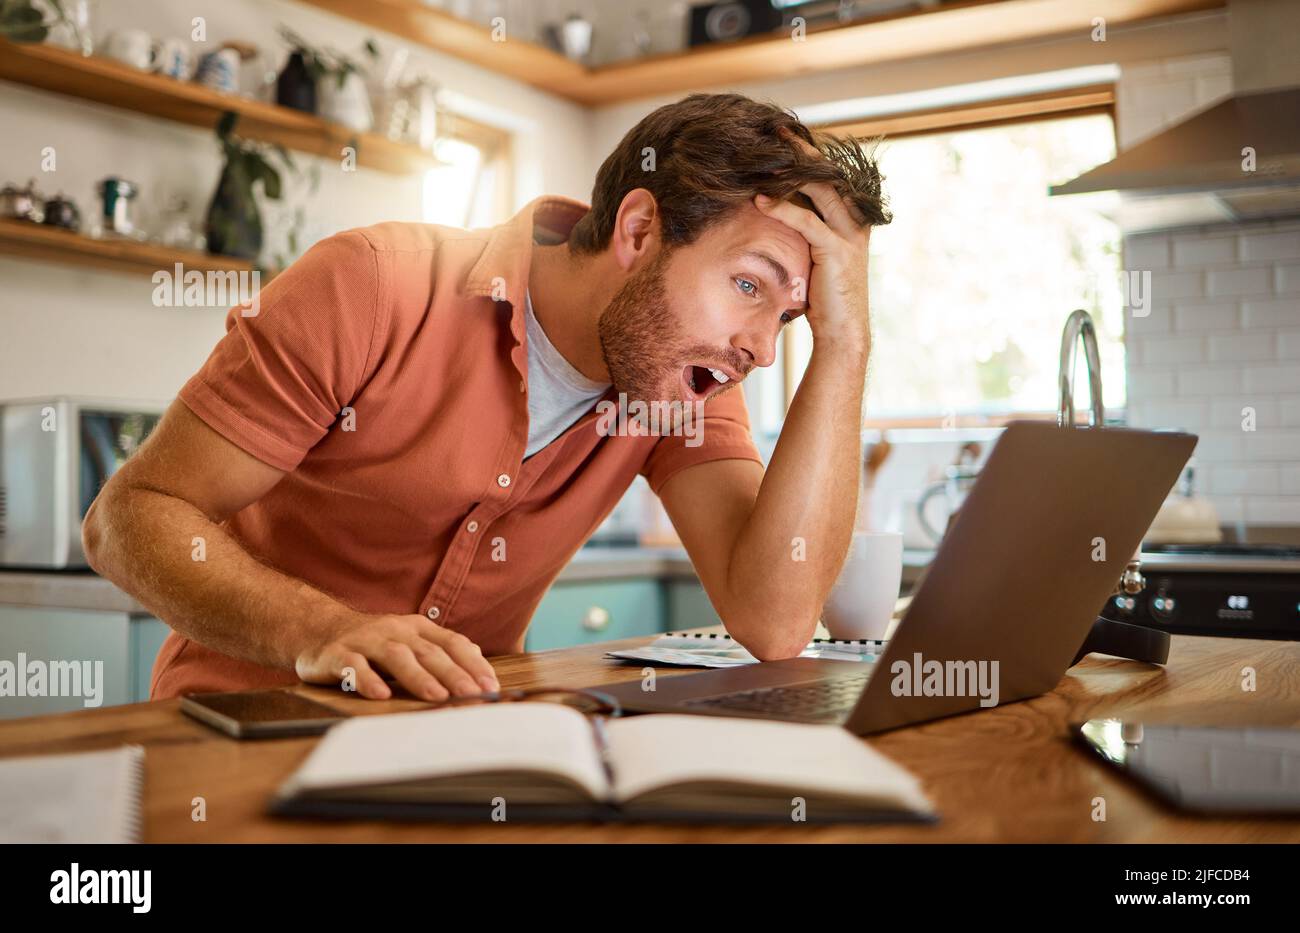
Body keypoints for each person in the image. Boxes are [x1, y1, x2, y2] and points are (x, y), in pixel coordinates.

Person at [83, 92, 892, 702]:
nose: (759, 346)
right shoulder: (371, 285)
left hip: (459, 750)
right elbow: (129, 515)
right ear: (639, 231)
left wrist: (846, 343)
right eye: (748, 283)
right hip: (243, 726)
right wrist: (324, 631)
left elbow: (777, 621)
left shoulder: (681, 383)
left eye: (790, 314)